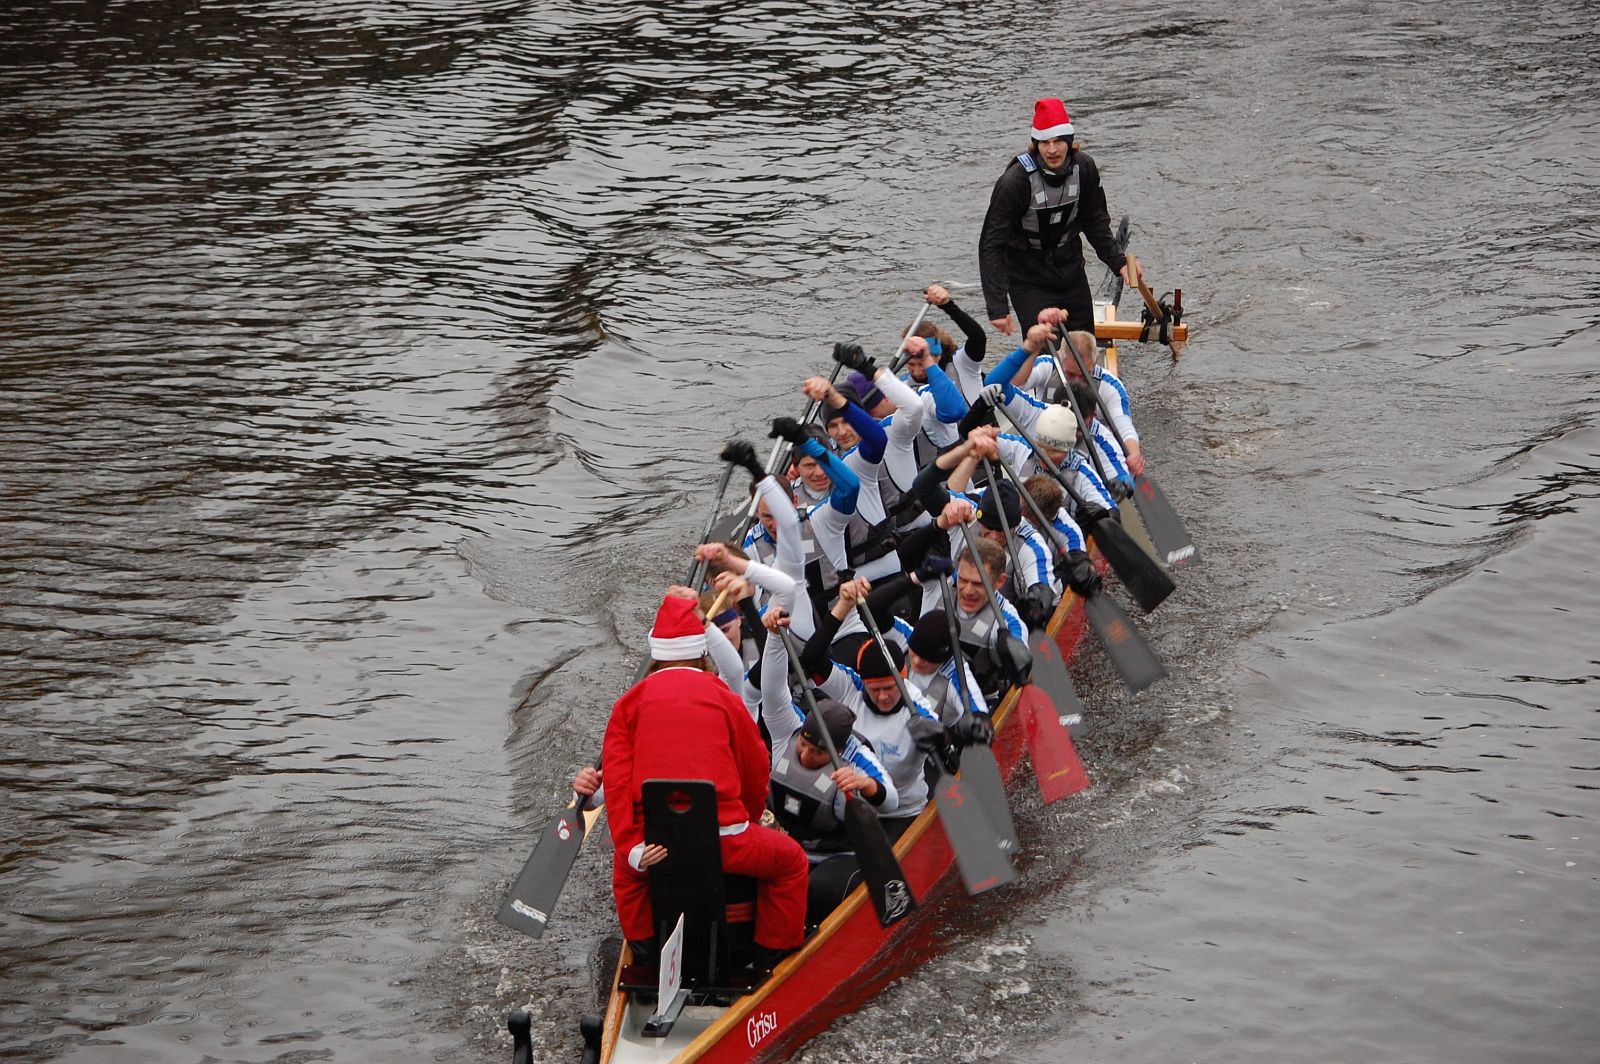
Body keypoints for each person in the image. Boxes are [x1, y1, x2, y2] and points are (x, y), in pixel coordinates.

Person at [600, 590, 809, 972]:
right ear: (701, 653)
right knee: (792, 862)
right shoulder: (724, 697)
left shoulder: (627, 705)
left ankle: (646, 955)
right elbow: (755, 765)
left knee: (627, 875)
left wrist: (632, 849)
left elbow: (616, 784)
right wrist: (749, 816)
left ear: (657, 655)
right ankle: (771, 957)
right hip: (725, 839)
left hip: (657, 843)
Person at [979, 98, 1134, 338]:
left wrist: (1119, 262)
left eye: (1059, 141)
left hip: (1071, 272)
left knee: (1084, 346)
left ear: (1069, 142)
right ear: (1036, 145)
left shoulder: (1084, 169)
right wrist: (997, 306)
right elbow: (991, 244)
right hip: (1028, 279)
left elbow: (1095, 222)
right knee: (1046, 350)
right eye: (1045, 143)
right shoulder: (1014, 183)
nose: (1052, 150)